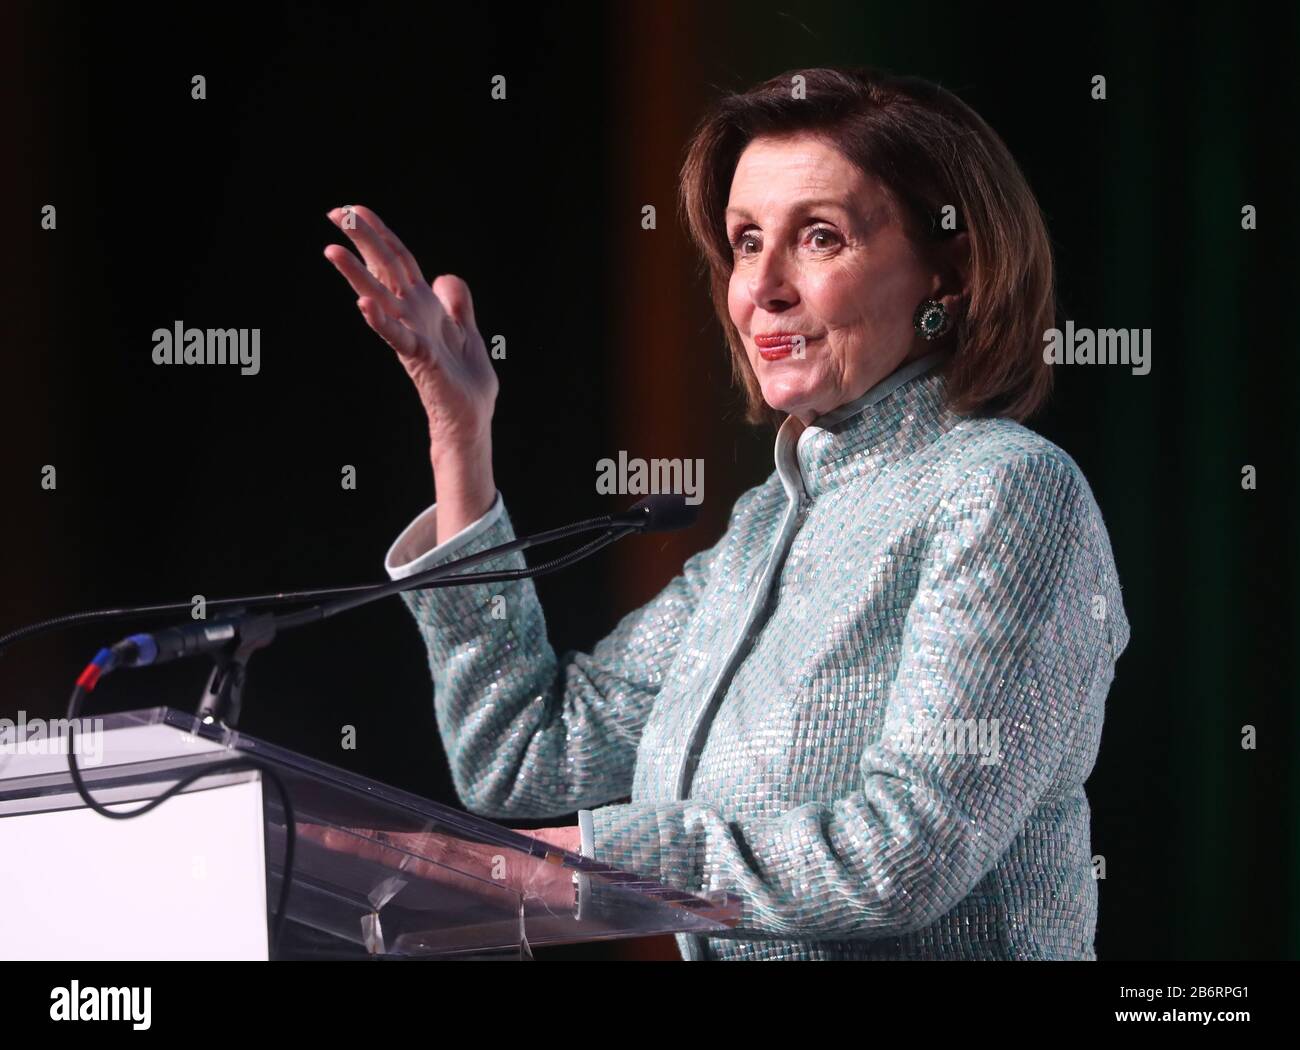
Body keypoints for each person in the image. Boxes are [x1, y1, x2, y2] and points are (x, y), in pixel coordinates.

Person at [323, 66, 1131, 961]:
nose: (763, 288)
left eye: (818, 237)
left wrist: (603, 863)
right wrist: (458, 433)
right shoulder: (760, 534)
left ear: (951, 270)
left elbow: (908, 852)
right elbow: (522, 752)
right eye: (746, 242)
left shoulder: (1005, 491)